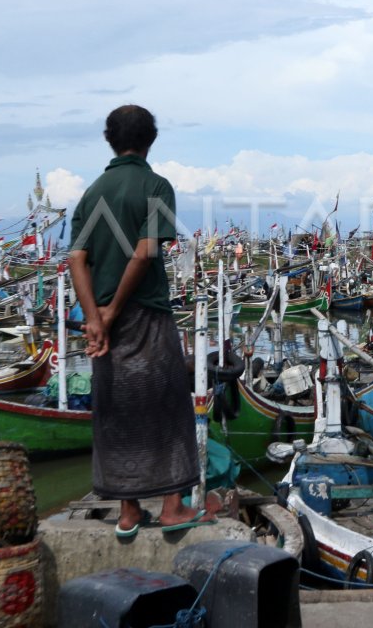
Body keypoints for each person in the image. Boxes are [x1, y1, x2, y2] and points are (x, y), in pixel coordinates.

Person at [68, 105, 217, 537]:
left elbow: (77, 258)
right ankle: (172, 507)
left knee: (117, 409)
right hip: (147, 313)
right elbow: (145, 250)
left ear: (109, 139)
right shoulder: (156, 186)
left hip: (104, 324)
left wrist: (95, 317)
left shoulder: (92, 193)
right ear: (151, 139)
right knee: (167, 404)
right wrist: (112, 311)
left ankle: (129, 511)